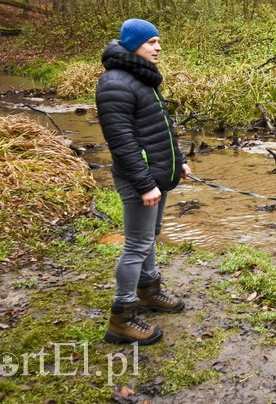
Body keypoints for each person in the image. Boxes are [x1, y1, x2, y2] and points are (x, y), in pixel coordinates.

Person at [96, 18, 191, 345]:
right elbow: (121, 142)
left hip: (156, 175)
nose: (158, 47)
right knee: (137, 244)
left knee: (151, 235)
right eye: (151, 42)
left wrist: (179, 163)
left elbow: (161, 129)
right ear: (133, 44)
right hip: (141, 179)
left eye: (158, 41)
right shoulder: (115, 83)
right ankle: (121, 317)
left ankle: (149, 292)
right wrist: (144, 183)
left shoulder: (142, 77)